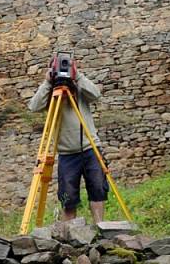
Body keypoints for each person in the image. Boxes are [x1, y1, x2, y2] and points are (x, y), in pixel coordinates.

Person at [29, 58, 108, 223]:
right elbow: (34, 107)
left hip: (90, 147)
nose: (62, 71)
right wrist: (47, 83)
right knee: (68, 198)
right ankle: (70, 235)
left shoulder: (80, 88)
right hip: (67, 154)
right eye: (58, 68)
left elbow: (96, 94)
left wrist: (77, 75)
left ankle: (100, 228)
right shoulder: (51, 93)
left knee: (98, 190)